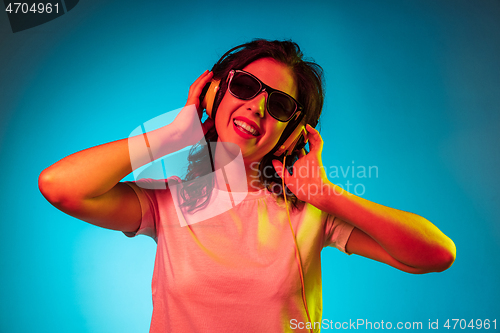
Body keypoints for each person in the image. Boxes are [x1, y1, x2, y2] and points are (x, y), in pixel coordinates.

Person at [38, 39, 456, 333]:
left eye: (278, 104)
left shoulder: (311, 212)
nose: (257, 106)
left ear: (292, 134)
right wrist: (172, 135)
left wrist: (327, 194)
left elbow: (436, 254)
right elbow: (60, 186)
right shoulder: (168, 202)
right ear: (215, 94)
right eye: (244, 86)